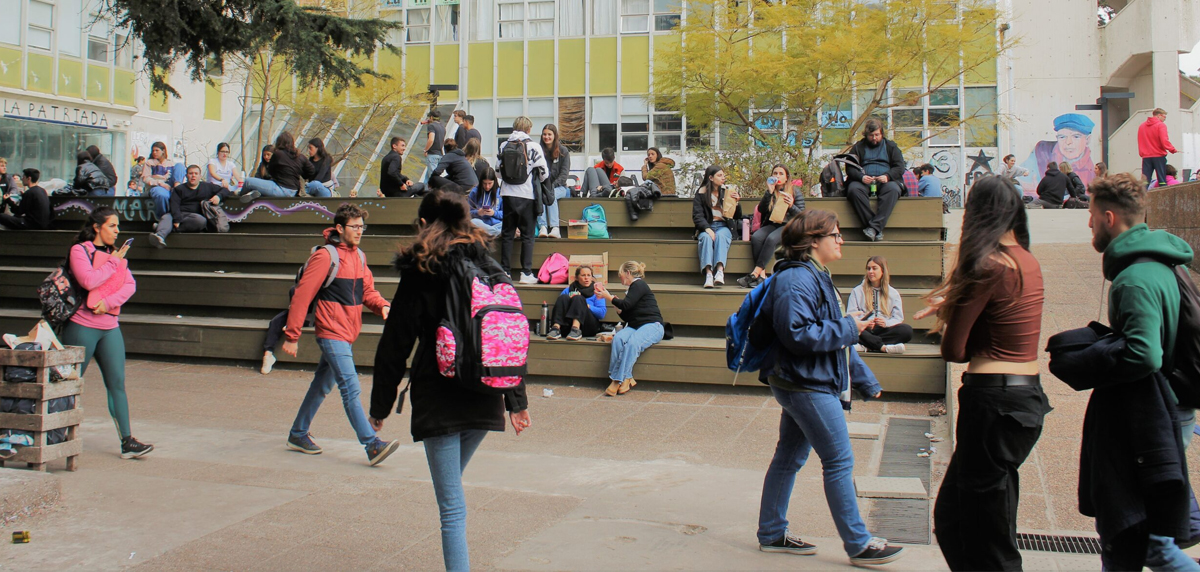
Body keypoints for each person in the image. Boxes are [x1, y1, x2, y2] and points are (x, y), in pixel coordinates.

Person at [370, 190, 531, 572]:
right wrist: (516, 401)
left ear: (425, 224)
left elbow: (396, 342)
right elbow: (504, 332)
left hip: (440, 394)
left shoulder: (422, 268)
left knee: (452, 509)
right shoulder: (488, 264)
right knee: (451, 487)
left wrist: (379, 407)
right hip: (487, 392)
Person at [750, 209, 904, 567]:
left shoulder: (816, 275)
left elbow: (835, 335)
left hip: (804, 379)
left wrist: (863, 378)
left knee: (789, 457)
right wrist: (851, 328)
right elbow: (797, 334)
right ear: (813, 240)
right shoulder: (797, 280)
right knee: (839, 460)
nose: (841, 239)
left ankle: (772, 533)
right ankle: (859, 543)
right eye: (835, 234)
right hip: (805, 383)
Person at [915, 175, 1049, 571]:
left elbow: (953, 350)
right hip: (1021, 400)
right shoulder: (1025, 260)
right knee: (965, 518)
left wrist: (950, 310)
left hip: (993, 403)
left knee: (982, 531)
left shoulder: (987, 265)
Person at [1081, 173, 1194, 570]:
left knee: (1132, 538)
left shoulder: (1134, 279)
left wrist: (1092, 362)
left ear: (1109, 218)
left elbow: (1145, 355)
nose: (1089, 224)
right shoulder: (1160, 262)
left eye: (1092, 216)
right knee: (1144, 540)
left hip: (1152, 416)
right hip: (1167, 410)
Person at [282, 203, 400, 466]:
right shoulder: (326, 256)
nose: (359, 231)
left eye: (362, 227)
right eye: (354, 227)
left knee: (322, 385)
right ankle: (372, 445)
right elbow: (303, 294)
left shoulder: (359, 257)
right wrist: (292, 335)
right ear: (339, 228)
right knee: (350, 386)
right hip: (331, 331)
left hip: (347, 331)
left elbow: (367, 290)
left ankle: (298, 433)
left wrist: (382, 305)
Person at [62, 206, 154, 459]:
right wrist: (115, 261)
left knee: (117, 385)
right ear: (97, 227)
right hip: (82, 325)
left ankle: (127, 441)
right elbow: (89, 280)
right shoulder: (79, 250)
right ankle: (50, 433)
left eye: (117, 226)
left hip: (110, 327)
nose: (117, 230)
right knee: (66, 384)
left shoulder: (115, 254)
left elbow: (130, 285)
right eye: (112, 226)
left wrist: (109, 303)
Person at [594, 261, 663, 397]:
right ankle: (627, 378)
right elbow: (627, 313)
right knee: (618, 339)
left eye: (620, 275)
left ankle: (616, 379)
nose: (620, 278)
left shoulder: (639, 284)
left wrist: (609, 297)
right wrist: (616, 305)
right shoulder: (632, 289)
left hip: (652, 325)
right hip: (635, 325)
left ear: (628, 273)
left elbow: (627, 304)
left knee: (633, 343)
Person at [497, 116, 548, 285]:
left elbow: (498, 172)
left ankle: (505, 270)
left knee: (507, 234)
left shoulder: (504, 145)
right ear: (528, 129)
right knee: (527, 236)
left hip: (507, 194)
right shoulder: (534, 146)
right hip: (527, 195)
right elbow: (544, 173)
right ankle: (526, 273)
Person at [738, 165, 800, 289]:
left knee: (771, 239)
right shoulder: (771, 191)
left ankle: (755, 273)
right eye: (775, 173)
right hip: (773, 224)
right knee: (756, 237)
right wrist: (769, 192)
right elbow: (761, 209)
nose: (777, 176)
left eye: (781, 173)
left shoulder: (794, 191)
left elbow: (801, 215)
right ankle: (762, 275)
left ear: (787, 177)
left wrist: (791, 206)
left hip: (789, 226)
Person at [844, 118, 906, 241]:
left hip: (885, 181)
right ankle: (875, 229)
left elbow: (900, 167)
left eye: (877, 135)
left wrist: (888, 176)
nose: (874, 138)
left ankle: (873, 228)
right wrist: (861, 177)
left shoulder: (891, 146)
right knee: (853, 190)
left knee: (893, 189)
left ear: (882, 134)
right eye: (871, 135)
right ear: (866, 135)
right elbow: (850, 168)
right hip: (864, 181)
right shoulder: (858, 147)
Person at [149, 165, 230, 248]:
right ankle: (159, 236)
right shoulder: (179, 189)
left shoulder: (208, 187)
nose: (193, 175)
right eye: (190, 173)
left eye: (196, 173)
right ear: (187, 176)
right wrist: (177, 219)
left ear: (200, 176)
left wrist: (218, 197)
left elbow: (225, 190)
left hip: (194, 217)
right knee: (167, 217)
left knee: (201, 221)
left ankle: (163, 227)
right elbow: (174, 204)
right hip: (178, 214)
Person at [1019, 113, 1098, 194]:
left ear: (1088, 140)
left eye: (1076, 136)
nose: (1068, 142)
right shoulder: (1041, 151)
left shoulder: (1092, 170)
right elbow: (1022, 180)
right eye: (1062, 137)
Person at [847, 256, 912, 354]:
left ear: (883, 270)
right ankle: (882, 347)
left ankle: (867, 345)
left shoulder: (893, 293)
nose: (870, 271)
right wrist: (866, 323)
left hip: (883, 330)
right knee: (850, 329)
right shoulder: (857, 291)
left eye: (874, 268)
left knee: (906, 331)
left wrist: (886, 323)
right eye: (868, 268)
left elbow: (898, 318)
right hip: (864, 329)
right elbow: (851, 315)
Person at [692, 165, 741, 288]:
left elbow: (736, 216)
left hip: (724, 226)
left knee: (720, 236)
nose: (723, 178)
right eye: (719, 175)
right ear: (711, 178)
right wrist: (707, 229)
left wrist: (737, 203)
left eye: (723, 175)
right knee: (706, 238)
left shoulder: (727, 191)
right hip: (707, 226)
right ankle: (708, 274)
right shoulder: (701, 193)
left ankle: (719, 271)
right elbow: (697, 216)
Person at [546, 265, 607, 341]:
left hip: (587, 326)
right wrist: (570, 302)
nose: (586, 278)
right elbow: (560, 308)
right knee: (563, 297)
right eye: (583, 275)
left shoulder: (597, 291)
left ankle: (576, 329)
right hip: (568, 327)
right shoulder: (568, 290)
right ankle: (555, 329)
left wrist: (587, 306)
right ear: (577, 278)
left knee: (578, 298)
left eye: (589, 275)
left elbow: (602, 313)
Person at [241, 132, 307, 201]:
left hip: (276, 188)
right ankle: (252, 194)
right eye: (264, 155)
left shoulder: (280, 163)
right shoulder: (262, 166)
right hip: (267, 187)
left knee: (249, 182)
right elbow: (258, 177)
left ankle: (244, 196)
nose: (266, 157)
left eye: (268, 155)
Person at [536, 124, 571, 238]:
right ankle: (543, 227)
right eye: (544, 134)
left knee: (552, 195)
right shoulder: (538, 150)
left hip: (560, 187)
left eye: (549, 134)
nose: (546, 137)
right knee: (540, 194)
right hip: (543, 187)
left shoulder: (563, 151)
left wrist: (551, 186)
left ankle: (555, 228)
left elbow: (564, 175)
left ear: (555, 136)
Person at [1137, 108, 1177, 188]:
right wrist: (1172, 149)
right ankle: (1163, 194)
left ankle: (1142, 196)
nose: (1164, 119)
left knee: (1145, 179)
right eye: (1164, 117)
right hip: (1158, 155)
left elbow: (1140, 140)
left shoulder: (1142, 126)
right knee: (1162, 178)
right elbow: (1164, 140)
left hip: (1146, 156)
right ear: (1159, 115)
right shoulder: (1161, 125)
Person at [142, 141, 177, 218]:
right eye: (153, 150)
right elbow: (146, 178)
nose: (154, 152)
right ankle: (163, 217)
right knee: (161, 195)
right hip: (155, 187)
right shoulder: (149, 162)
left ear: (163, 151)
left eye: (157, 150)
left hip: (169, 187)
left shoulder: (171, 163)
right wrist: (159, 183)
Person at [468, 168, 503, 236]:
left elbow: (506, 214)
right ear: (481, 182)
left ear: (494, 181)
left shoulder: (500, 192)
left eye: (490, 183)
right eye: (484, 183)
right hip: (481, 223)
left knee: (508, 224)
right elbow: (467, 213)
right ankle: (496, 233)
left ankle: (490, 232)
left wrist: (494, 213)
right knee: (473, 222)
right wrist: (478, 212)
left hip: (497, 224)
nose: (487, 186)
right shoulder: (474, 192)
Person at [421, 109, 446, 184]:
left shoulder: (431, 126)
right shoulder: (442, 126)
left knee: (433, 178)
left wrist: (426, 150)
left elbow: (431, 139)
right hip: (440, 154)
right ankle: (424, 192)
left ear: (431, 117)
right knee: (427, 178)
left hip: (432, 154)